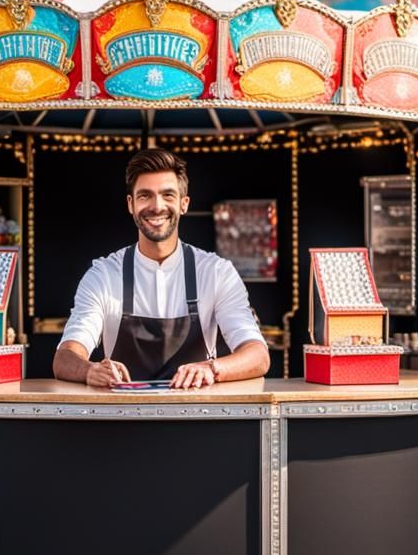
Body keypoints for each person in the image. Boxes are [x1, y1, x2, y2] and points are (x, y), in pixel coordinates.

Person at [54, 148, 271, 389]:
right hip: (122, 420)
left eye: (168, 195)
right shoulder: (103, 275)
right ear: (131, 204)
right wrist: (89, 370)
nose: (157, 206)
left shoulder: (217, 273)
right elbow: (64, 357)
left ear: (183, 204)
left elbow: (258, 355)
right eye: (145, 196)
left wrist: (212, 368)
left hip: (198, 419)